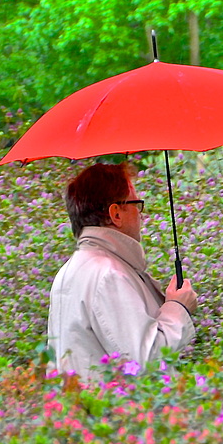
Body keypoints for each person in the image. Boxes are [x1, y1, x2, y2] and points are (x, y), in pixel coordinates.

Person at [47, 162, 198, 382]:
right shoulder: (108, 275)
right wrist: (178, 307)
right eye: (136, 203)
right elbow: (144, 361)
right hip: (114, 413)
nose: (141, 214)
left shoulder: (71, 270)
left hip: (84, 410)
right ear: (115, 214)